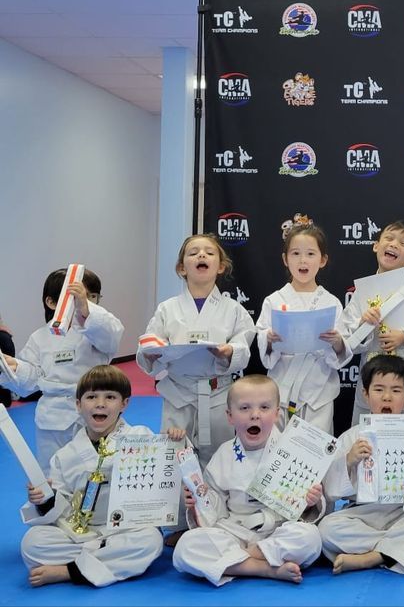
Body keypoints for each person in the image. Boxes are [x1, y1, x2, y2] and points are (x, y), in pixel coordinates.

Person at [172, 375, 324, 586]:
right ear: (230, 416)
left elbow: (307, 511)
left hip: (277, 530)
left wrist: (312, 500)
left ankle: (239, 560)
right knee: (186, 547)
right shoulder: (224, 454)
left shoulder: (294, 451)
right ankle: (264, 568)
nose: (255, 415)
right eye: (244, 408)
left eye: (264, 407)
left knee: (310, 537)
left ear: (277, 413)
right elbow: (215, 509)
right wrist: (200, 498)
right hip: (234, 530)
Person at [20, 365, 162, 587]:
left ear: (124, 403)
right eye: (92, 396)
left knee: (150, 541)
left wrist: (174, 440)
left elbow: (160, 480)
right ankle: (106, 557)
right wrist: (47, 498)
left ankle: (70, 571)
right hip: (83, 532)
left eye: (110, 397)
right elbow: (64, 507)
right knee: (32, 543)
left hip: (127, 528)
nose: (100, 403)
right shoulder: (64, 456)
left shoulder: (141, 438)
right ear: (78, 405)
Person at [318, 356, 404, 574]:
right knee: (326, 530)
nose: (387, 397)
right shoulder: (352, 436)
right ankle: (399, 550)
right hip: (362, 515)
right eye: (379, 389)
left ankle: (372, 556)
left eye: (396, 391)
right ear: (366, 394)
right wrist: (349, 460)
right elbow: (331, 492)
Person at [137, 234, 255, 467]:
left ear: (220, 266)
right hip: (178, 394)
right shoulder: (167, 309)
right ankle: (177, 504)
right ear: (182, 268)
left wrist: (229, 351)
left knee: (220, 460)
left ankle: (217, 502)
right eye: (193, 253)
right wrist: (151, 353)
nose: (201, 255)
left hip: (218, 395)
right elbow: (150, 342)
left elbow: (244, 343)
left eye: (209, 253)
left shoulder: (233, 309)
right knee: (172, 458)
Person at [1, 268, 123, 472]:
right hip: (53, 418)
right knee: (53, 470)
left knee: (99, 470)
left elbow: (111, 335)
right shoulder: (39, 337)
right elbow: (31, 381)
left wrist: (86, 309)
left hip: (95, 410)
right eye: (76, 296)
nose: (85, 301)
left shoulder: (96, 331)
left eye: (92, 297)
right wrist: (16, 367)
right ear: (51, 302)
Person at [342, 220, 404, 423]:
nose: (394, 244)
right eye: (388, 238)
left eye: (403, 243)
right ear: (376, 245)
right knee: (365, 447)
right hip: (372, 387)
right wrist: (363, 324)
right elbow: (346, 338)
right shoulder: (363, 291)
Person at [257, 224, 351, 435]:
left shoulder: (331, 302)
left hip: (318, 391)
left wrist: (337, 341)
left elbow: (342, 349)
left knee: (314, 454)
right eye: (296, 253)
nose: (303, 260)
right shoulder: (274, 300)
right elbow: (263, 341)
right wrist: (269, 339)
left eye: (310, 254)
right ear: (285, 259)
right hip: (281, 389)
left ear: (323, 260)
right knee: (276, 451)